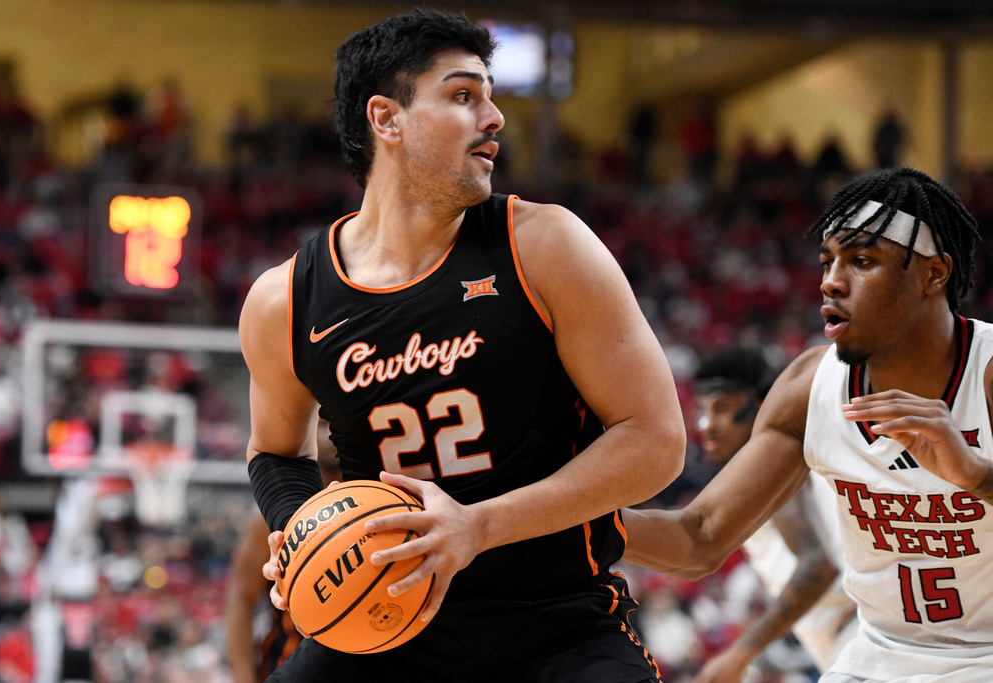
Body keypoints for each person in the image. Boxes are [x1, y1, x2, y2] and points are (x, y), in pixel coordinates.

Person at [238, 9, 686, 683]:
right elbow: (275, 452)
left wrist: (478, 524)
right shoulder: (287, 299)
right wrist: (305, 530)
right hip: (379, 626)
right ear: (386, 120)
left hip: (556, 624)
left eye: (490, 94)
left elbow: (655, 440)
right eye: (462, 95)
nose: (495, 116)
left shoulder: (543, 245)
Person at [623, 166, 993, 682]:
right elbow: (700, 536)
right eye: (827, 261)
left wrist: (976, 474)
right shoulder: (808, 389)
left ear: (933, 274)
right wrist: (561, 522)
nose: (831, 280)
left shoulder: (988, 371)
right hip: (878, 656)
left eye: (862, 260)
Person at [688, 347, 857, 683]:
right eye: (702, 410)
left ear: (761, 404)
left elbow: (818, 566)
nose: (706, 425)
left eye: (722, 407)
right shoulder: (786, 462)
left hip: (860, 637)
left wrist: (740, 653)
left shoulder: (770, 469)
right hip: (854, 640)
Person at [224, 417, 340, 683]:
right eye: (322, 424)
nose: (330, 433)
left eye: (336, 423)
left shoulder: (376, 501)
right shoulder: (268, 518)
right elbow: (240, 599)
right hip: (286, 663)